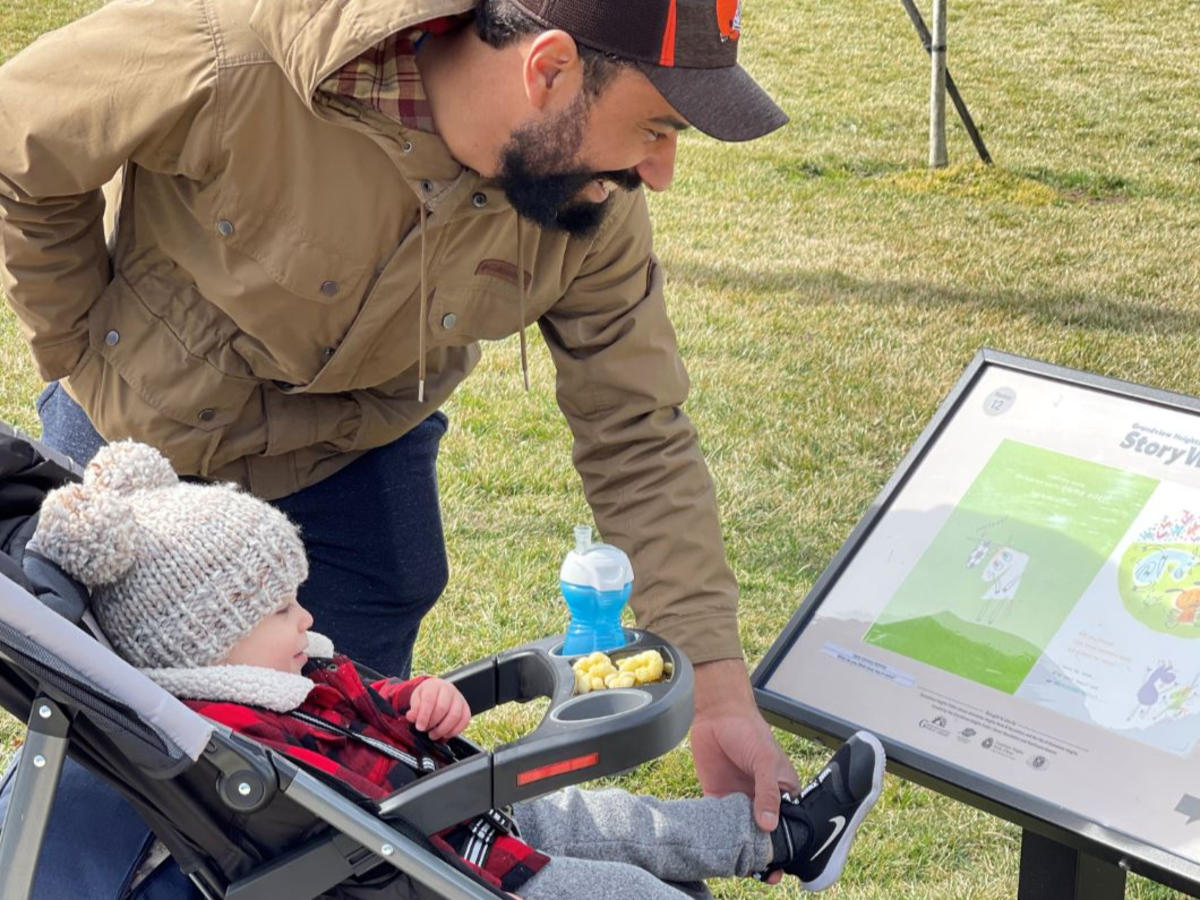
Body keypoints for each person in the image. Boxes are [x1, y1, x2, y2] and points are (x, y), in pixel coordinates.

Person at [0, 0, 798, 831]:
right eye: (656, 128)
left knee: (336, 806)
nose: (661, 172)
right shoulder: (234, 51)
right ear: (549, 69)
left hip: (353, 470)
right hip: (143, 465)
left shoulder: (595, 210)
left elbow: (639, 434)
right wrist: (80, 353)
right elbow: (20, 136)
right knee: (117, 772)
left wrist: (717, 690)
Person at [30, 441, 886, 898]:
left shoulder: (285, 674)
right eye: (283, 609)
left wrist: (421, 701)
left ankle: (783, 839)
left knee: (622, 820)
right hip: (445, 866)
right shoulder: (231, 742)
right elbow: (348, 817)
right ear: (206, 642)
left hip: (472, 812)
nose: (309, 618)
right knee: (625, 884)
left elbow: (374, 701)